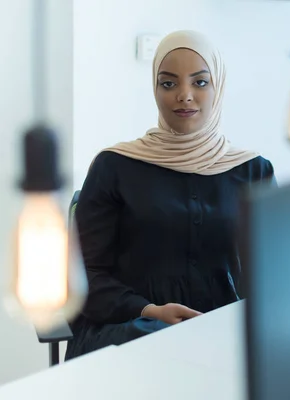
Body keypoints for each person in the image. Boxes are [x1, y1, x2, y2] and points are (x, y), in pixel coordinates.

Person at [65, 30, 276, 360]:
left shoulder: (253, 171)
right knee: (161, 342)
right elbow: (80, 276)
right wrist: (149, 311)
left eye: (200, 82)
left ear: (217, 87)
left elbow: (272, 277)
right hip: (129, 331)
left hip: (217, 339)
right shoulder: (114, 166)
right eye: (169, 83)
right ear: (155, 88)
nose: (185, 95)